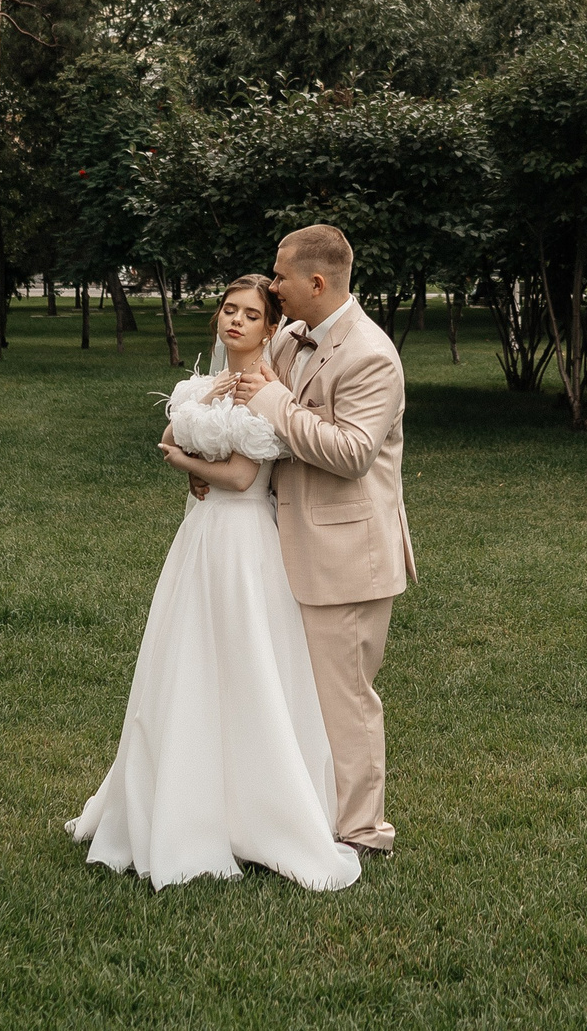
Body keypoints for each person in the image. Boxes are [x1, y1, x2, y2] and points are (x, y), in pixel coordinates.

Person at [66, 274, 361, 891]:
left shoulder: (270, 393)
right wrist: (195, 420)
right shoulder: (199, 384)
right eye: (229, 311)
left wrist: (185, 464)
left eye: (251, 315)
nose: (236, 323)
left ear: (271, 327)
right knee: (186, 661)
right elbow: (173, 428)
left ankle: (259, 808)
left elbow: (238, 475)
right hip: (198, 539)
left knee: (247, 663)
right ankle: (179, 793)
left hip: (247, 542)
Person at [209, 223, 413, 857]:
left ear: (317, 283)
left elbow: (351, 454)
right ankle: (301, 808)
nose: (273, 286)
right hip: (280, 543)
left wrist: (273, 403)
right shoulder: (293, 337)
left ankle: (362, 831)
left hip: (345, 554)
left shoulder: (371, 356)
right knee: (295, 688)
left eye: (281, 276)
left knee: (344, 697)